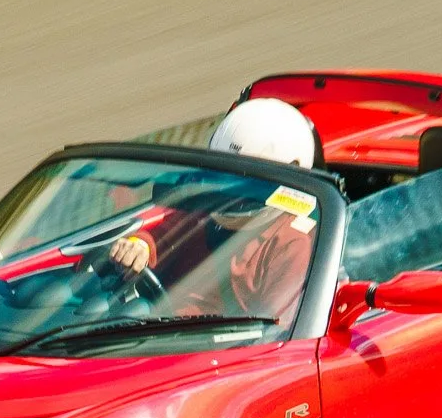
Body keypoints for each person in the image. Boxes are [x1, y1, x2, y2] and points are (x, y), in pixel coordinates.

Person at [98, 98, 322, 321]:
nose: (229, 191)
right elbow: (160, 236)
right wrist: (139, 246)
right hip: (154, 325)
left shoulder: (293, 243)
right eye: (222, 175)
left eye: (244, 181)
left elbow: (273, 333)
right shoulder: (204, 209)